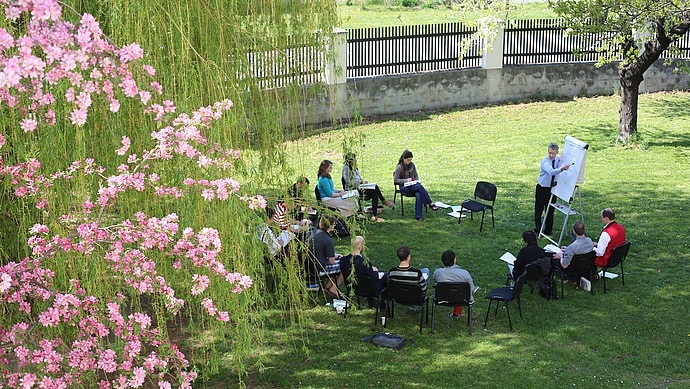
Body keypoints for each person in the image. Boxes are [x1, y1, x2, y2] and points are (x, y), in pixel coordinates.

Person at [342, 153, 395, 222]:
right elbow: (348, 182)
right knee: (375, 189)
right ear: (349, 160)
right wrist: (360, 183)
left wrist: (362, 181)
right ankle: (383, 202)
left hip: (360, 186)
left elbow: (358, 178)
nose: (355, 161)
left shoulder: (355, 167)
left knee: (375, 191)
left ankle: (375, 215)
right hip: (353, 189)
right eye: (354, 159)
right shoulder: (346, 168)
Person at [340, 236, 388, 307]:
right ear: (360, 247)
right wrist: (375, 271)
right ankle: (379, 302)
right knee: (385, 277)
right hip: (368, 290)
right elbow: (373, 278)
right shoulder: (364, 263)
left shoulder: (343, 260)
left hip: (352, 287)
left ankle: (372, 301)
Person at [534, 142, 570, 235]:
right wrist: (561, 169)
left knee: (550, 210)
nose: (551, 155)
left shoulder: (558, 160)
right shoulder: (545, 162)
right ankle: (538, 229)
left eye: (553, 153)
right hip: (542, 188)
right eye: (549, 153)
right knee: (539, 209)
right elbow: (551, 171)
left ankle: (548, 230)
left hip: (552, 189)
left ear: (557, 152)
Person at [393, 149, 438, 221]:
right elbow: (396, 180)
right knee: (419, 188)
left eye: (410, 160)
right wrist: (405, 180)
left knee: (418, 193)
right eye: (408, 160)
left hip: (413, 186)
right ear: (404, 159)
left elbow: (416, 175)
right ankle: (430, 203)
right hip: (404, 187)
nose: (409, 162)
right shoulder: (399, 167)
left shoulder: (412, 165)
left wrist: (415, 180)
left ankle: (418, 216)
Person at [433, 250, 476, 319]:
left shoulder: (438, 273)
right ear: (454, 260)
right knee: (459, 291)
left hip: (442, 298)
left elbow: (435, 279)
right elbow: (471, 288)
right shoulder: (464, 273)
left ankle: (456, 314)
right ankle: (456, 313)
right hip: (462, 299)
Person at [309, 215, 345, 298]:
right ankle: (334, 289)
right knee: (345, 266)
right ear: (331, 225)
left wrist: (335, 256)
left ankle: (328, 287)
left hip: (311, 265)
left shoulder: (314, 233)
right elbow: (332, 261)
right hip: (320, 268)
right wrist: (336, 257)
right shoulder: (327, 240)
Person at [388, 246, 429, 311]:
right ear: (408, 257)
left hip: (397, 296)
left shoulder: (392, 272)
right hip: (415, 298)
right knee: (426, 270)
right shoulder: (417, 273)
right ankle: (412, 307)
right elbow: (424, 290)